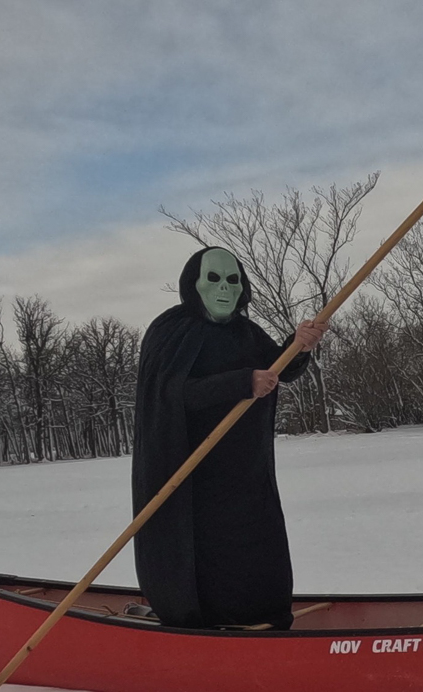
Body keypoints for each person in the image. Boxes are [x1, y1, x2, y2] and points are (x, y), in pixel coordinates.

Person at [131, 246, 327, 629]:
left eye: (233, 279)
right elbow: (171, 394)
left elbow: (277, 369)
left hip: (244, 471)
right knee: (203, 552)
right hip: (189, 473)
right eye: (214, 278)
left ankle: (258, 617)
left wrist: (299, 344)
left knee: (254, 545)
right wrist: (241, 382)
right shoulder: (170, 330)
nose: (225, 288)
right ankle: (201, 623)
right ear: (195, 285)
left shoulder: (246, 331)